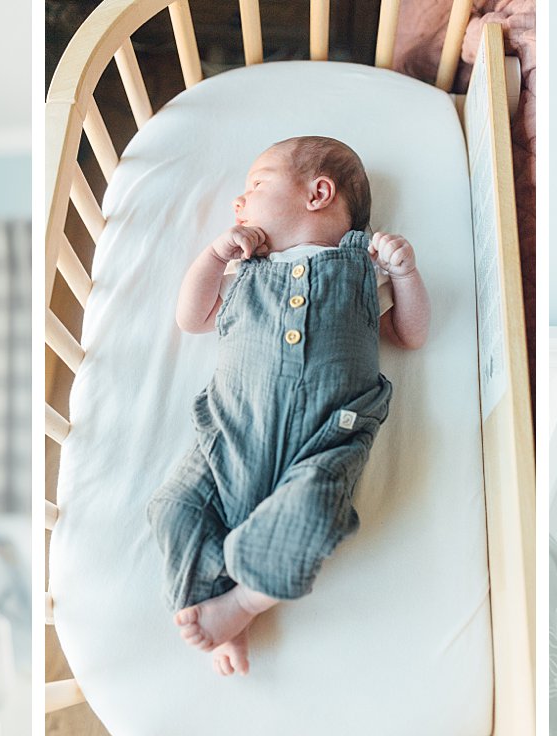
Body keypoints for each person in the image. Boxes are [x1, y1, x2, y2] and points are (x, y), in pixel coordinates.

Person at [147, 135, 430, 676]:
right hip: (229, 431)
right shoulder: (246, 270)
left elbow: (409, 335)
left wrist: (406, 275)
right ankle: (214, 604)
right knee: (174, 508)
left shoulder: (363, 266)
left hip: (326, 438)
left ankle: (243, 603)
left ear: (318, 193)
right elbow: (192, 317)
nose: (239, 201)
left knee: (314, 515)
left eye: (255, 185)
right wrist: (214, 255)